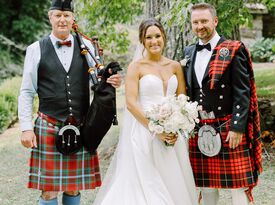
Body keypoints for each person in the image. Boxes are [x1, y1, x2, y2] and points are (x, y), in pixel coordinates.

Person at [18, 0, 121, 204]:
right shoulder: (35, 49)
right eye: (58, 15)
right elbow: (27, 91)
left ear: (73, 18)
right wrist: (26, 128)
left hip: (79, 126)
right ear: (50, 17)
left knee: (73, 189)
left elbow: (99, 79)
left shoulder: (87, 46)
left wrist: (110, 79)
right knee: (48, 191)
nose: (62, 19)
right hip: (48, 124)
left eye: (66, 15)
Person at [92, 18, 198, 205]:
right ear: (142, 40)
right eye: (148, 37)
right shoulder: (136, 67)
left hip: (173, 133)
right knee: (148, 185)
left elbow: (182, 100)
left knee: (174, 180)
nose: (154, 41)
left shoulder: (175, 66)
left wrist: (177, 124)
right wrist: (156, 129)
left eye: (157, 36)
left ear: (164, 37)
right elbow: (131, 104)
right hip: (145, 132)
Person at [182, 3, 262, 205]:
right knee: (207, 186)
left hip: (227, 126)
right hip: (200, 128)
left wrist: (237, 127)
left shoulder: (233, 49)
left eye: (204, 21)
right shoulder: (189, 51)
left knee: (237, 186)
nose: (200, 26)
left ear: (215, 21)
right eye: (196, 22)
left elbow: (242, 93)